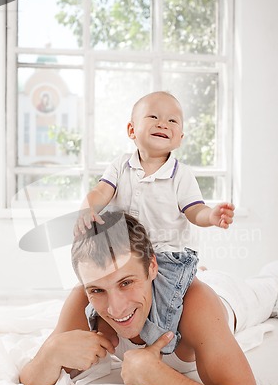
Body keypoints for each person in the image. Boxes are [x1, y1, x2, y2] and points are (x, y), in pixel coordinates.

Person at [19, 211, 278, 385]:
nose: (115, 309)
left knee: (266, 287)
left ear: (152, 266)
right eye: (97, 290)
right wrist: (51, 352)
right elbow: (31, 383)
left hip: (227, 295)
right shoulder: (84, 297)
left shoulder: (198, 306)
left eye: (126, 283)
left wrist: (153, 373)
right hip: (169, 282)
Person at [72, 91, 235, 353]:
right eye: (154, 117)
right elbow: (102, 191)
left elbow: (195, 210)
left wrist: (211, 216)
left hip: (168, 255)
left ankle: (158, 345)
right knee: (106, 292)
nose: (163, 124)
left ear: (180, 138)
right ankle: (104, 330)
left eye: (173, 121)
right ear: (131, 129)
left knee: (164, 303)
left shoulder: (180, 175)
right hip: (126, 254)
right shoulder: (120, 166)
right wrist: (87, 208)